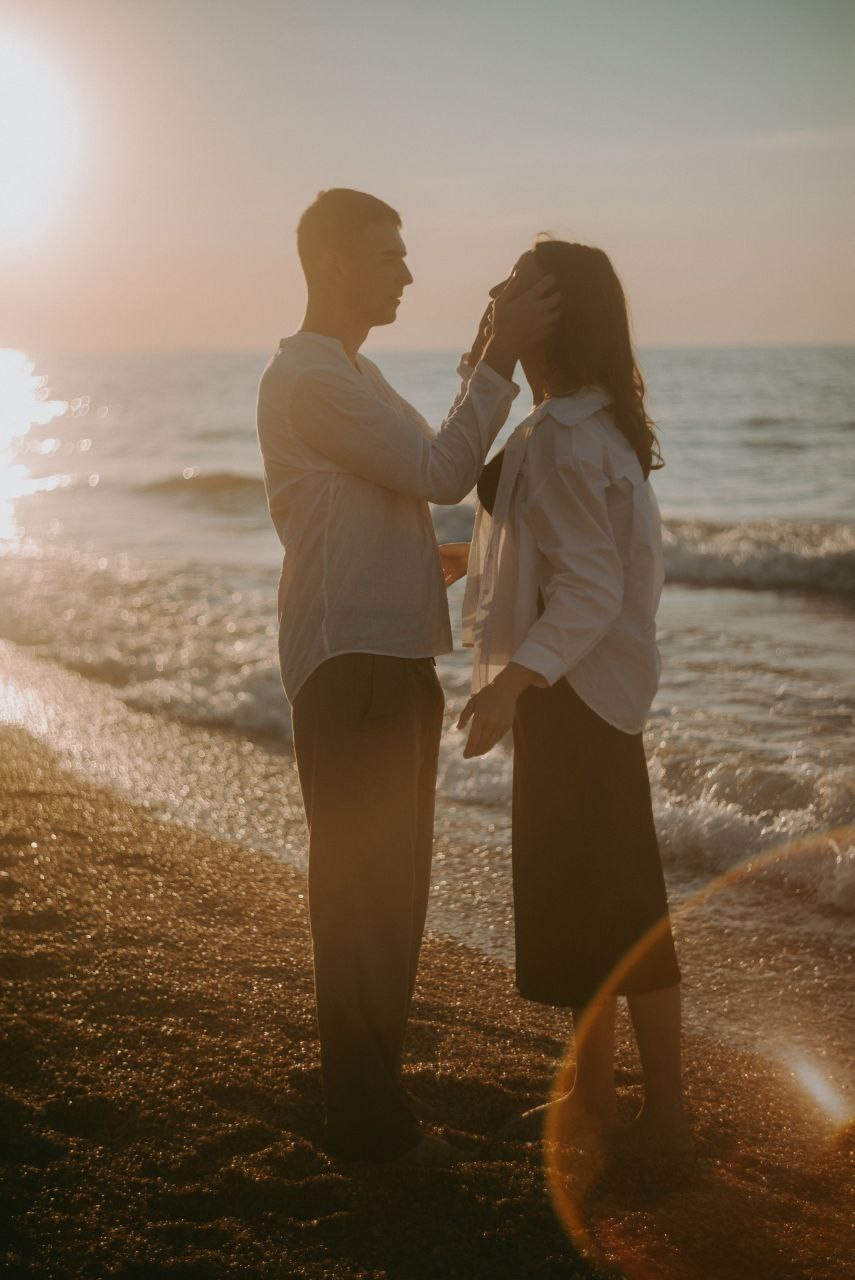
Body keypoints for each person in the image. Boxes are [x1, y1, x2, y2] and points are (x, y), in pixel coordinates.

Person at [255, 189, 559, 1166]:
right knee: (366, 890)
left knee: (390, 886)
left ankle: (363, 1073)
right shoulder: (313, 379)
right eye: (389, 254)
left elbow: (394, 499)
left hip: (383, 656)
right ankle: (368, 1116)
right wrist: (502, 354)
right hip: (356, 666)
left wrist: (467, 557)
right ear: (338, 262)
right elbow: (435, 469)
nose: (406, 272)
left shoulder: (354, 373)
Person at [453, 240, 690, 1157]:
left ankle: (665, 1115)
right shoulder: (592, 424)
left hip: (571, 693)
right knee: (595, 907)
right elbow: (563, 561)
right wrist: (466, 568)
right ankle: (595, 1098)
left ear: (548, 313)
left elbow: (588, 589)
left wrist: (512, 684)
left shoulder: (557, 434)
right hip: (595, 688)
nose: (493, 297)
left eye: (513, 291)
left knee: (624, 912)